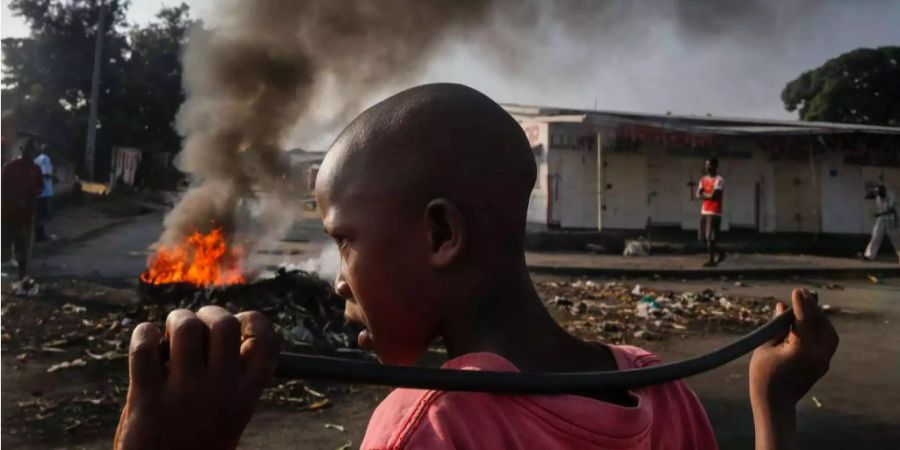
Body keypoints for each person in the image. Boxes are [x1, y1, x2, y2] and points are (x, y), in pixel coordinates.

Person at [113, 84, 838, 450]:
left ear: (439, 233)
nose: (337, 279)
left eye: (345, 241)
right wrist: (773, 406)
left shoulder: (431, 425)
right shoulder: (660, 392)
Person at [1, 140, 44, 282]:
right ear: (22, 151)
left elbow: (40, 188)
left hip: (26, 216)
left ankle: (21, 279)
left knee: (23, 250)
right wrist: (13, 199)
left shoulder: (36, 169)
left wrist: (33, 191)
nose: (29, 154)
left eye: (31, 151)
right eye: (27, 151)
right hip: (7, 214)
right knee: (3, 250)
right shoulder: (9, 167)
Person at [697, 158, 725, 267]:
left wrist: (704, 195)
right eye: (706, 165)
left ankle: (711, 260)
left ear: (715, 166)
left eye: (709, 165)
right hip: (704, 210)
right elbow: (698, 194)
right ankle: (721, 252)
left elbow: (714, 196)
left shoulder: (719, 180)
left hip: (714, 211)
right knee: (702, 238)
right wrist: (707, 195)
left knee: (710, 238)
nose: (707, 167)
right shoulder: (703, 179)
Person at [863, 184, 899, 263]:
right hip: (881, 220)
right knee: (875, 236)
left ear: (884, 192)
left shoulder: (890, 198)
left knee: (896, 241)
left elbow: (892, 211)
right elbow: (869, 195)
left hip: (891, 221)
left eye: (879, 192)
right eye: (877, 192)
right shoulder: (878, 198)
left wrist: (880, 214)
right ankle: (869, 255)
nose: (878, 194)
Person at [33, 143, 56, 242]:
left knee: (39, 214)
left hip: (39, 191)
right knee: (44, 214)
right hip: (45, 191)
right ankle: (40, 236)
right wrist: (53, 177)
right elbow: (44, 173)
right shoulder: (45, 158)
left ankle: (39, 235)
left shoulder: (37, 159)